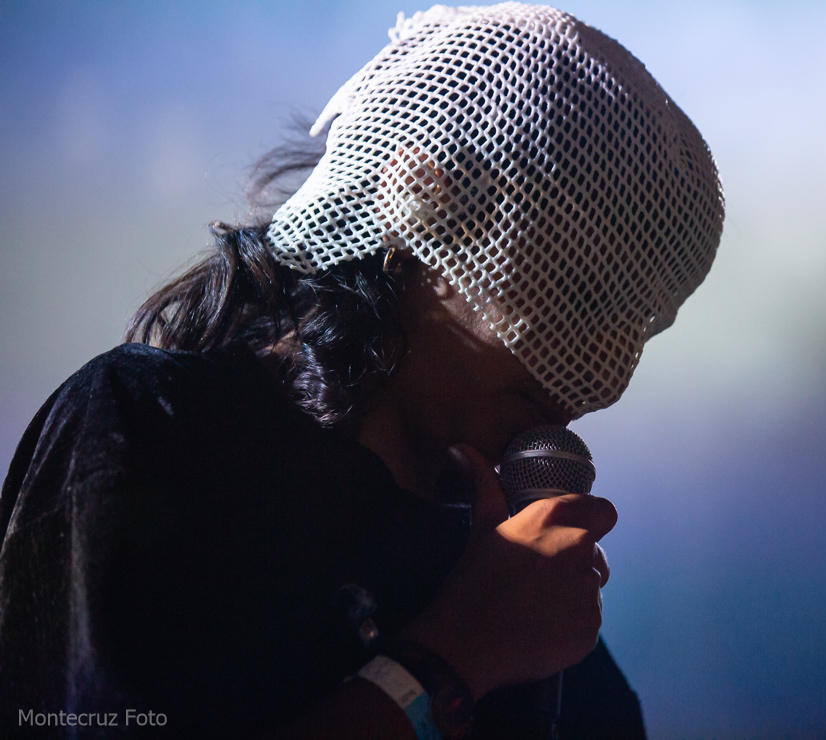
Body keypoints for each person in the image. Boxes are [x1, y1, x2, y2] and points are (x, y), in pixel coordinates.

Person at [0, 3, 723, 738]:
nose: (601, 375)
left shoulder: (541, 624)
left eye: (638, 321)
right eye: (579, 293)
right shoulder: (151, 435)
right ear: (424, 198)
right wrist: (456, 655)